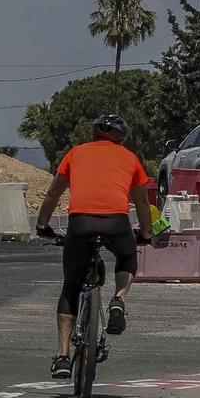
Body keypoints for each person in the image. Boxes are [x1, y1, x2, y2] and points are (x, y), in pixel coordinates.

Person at [33, 114, 163, 379]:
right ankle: (118, 300)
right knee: (127, 256)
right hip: (117, 223)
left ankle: (62, 357)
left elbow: (53, 193)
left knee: (71, 286)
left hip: (80, 223)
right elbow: (141, 202)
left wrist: (42, 225)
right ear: (121, 138)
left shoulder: (75, 153)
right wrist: (147, 234)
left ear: (94, 134)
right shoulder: (130, 158)